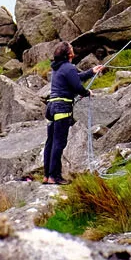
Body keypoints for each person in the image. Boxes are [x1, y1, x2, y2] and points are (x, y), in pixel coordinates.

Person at [42, 41, 105, 185]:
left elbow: (75, 77)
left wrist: (91, 72)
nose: (73, 49)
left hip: (51, 108)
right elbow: (77, 85)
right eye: (71, 48)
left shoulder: (58, 68)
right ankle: (54, 176)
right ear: (69, 54)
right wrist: (86, 92)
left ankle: (47, 175)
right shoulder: (68, 67)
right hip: (62, 108)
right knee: (59, 143)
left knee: (50, 142)